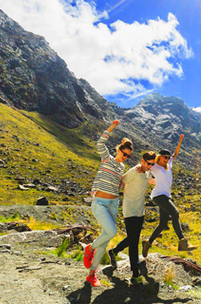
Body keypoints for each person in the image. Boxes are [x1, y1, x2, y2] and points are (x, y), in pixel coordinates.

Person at [83, 120, 132, 287]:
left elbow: (119, 183)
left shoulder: (122, 168)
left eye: (127, 156)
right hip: (100, 203)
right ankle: (89, 248)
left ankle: (91, 274)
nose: (125, 157)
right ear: (118, 149)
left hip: (113, 204)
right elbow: (100, 142)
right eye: (123, 153)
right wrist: (111, 127)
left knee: (104, 241)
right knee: (111, 231)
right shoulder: (107, 159)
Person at [142, 134, 197, 257]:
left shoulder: (168, 165)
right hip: (158, 196)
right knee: (175, 213)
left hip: (165, 196)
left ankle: (148, 243)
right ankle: (182, 242)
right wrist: (149, 177)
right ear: (159, 157)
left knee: (163, 224)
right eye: (164, 157)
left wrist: (180, 141)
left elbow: (175, 154)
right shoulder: (155, 166)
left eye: (167, 157)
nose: (166, 159)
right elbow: (145, 166)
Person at [107, 151, 157, 283]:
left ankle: (114, 251)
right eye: (148, 163)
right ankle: (135, 273)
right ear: (143, 160)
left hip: (140, 212)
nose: (150, 166)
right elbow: (120, 182)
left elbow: (152, 181)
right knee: (134, 242)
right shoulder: (134, 171)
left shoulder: (146, 173)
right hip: (129, 211)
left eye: (152, 164)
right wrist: (112, 200)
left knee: (132, 238)